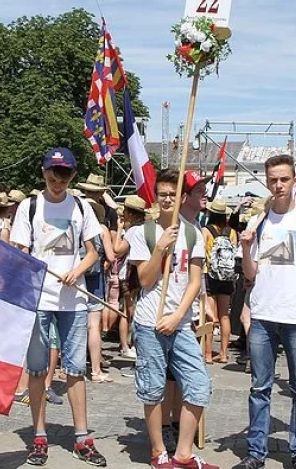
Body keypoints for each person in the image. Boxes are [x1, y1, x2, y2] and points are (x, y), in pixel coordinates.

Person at [9, 147, 106, 467]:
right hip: (38, 299)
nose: (57, 182)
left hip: (74, 300)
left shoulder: (80, 206)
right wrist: (23, 260)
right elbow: (20, 250)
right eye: (52, 175)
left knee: (75, 370)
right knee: (37, 370)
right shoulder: (29, 206)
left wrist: (77, 271)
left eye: (64, 176)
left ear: (73, 176)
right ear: (43, 172)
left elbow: (93, 252)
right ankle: (39, 436)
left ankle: (82, 438)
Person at [237, 154, 296, 469]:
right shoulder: (258, 222)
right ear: (267, 181)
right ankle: (256, 453)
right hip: (264, 316)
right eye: (273, 179)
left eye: (284, 179)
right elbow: (250, 274)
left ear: (294, 181)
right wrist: (245, 247)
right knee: (259, 387)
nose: (278, 185)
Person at [125, 169, 216, 469]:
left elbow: (194, 282)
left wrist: (178, 316)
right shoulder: (142, 233)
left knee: (199, 384)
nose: (166, 199)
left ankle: (184, 453)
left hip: (179, 323)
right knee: (152, 388)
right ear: (155, 197)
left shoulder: (193, 233)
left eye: (172, 195)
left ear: (182, 198)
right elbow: (145, 279)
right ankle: (158, 451)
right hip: (150, 322)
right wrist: (161, 247)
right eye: (162, 194)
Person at [111, 195, 150, 360]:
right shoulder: (145, 228)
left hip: (129, 272)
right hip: (137, 272)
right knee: (130, 309)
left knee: (128, 311)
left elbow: (117, 249)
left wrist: (119, 230)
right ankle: (128, 344)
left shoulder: (134, 230)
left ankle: (126, 345)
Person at [202, 199, 238, 365]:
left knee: (209, 316)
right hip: (227, 277)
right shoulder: (232, 232)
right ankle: (223, 353)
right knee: (224, 316)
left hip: (210, 274)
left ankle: (208, 354)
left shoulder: (206, 230)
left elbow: (202, 252)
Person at [84, 198, 115, 383]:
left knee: (74, 326)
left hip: (75, 278)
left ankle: (67, 368)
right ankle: (96, 370)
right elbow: (111, 256)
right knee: (93, 326)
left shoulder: (76, 225)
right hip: (95, 279)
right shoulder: (101, 229)